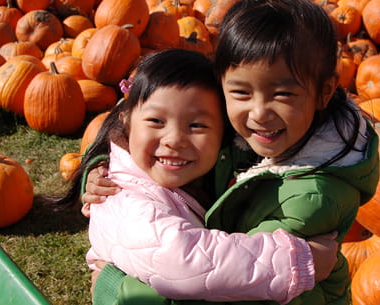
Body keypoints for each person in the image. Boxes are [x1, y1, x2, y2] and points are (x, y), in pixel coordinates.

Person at [81, 0, 380, 304]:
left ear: (325, 92)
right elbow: (152, 110)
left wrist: (115, 288)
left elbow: (222, 287)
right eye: (241, 92)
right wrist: (104, 167)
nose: (260, 112)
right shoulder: (245, 133)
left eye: (283, 94)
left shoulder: (312, 199)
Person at [58, 48, 340, 305]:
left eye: (196, 125)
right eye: (156, 121)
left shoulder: (207, 169)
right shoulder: (123, 199)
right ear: (126, 122)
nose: (174, 140)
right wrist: (297, 261)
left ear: (223, 134)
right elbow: (182, 259)